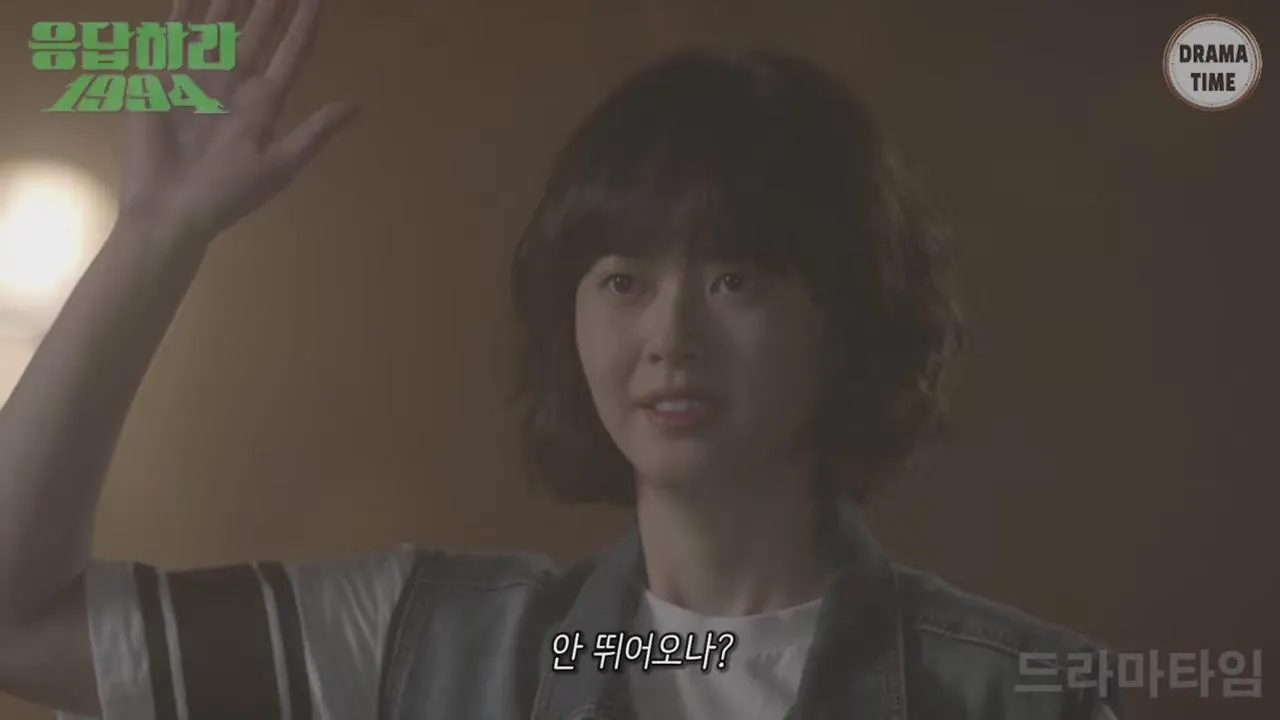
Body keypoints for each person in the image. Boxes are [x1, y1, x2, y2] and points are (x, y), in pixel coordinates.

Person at [0, 0, 1123, 718]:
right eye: (622, 281)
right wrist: (155, 236)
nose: (669, 338)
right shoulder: (430, 644)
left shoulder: (1016, 690)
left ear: (849, 314)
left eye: (735, 279)